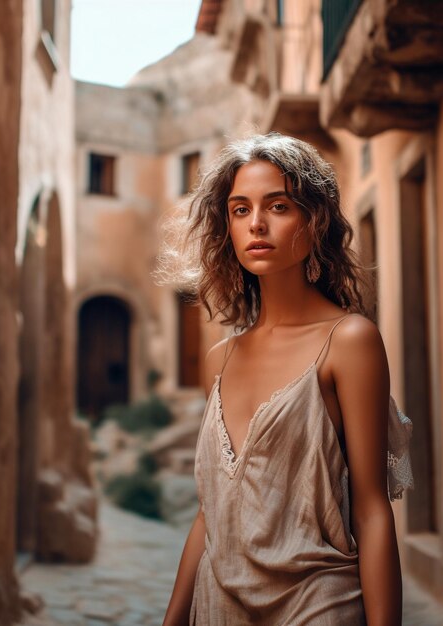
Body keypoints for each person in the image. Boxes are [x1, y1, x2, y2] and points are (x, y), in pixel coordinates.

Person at [161, 133, 413, 626]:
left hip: (316, 607)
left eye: (277, 205)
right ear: (225, 226)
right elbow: (211, 512)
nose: (256, 224)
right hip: (217, 609)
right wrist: (172, 620)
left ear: (314, 221)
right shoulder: (223, 356)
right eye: (239, 210)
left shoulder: (349, 340)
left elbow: (371, 510)